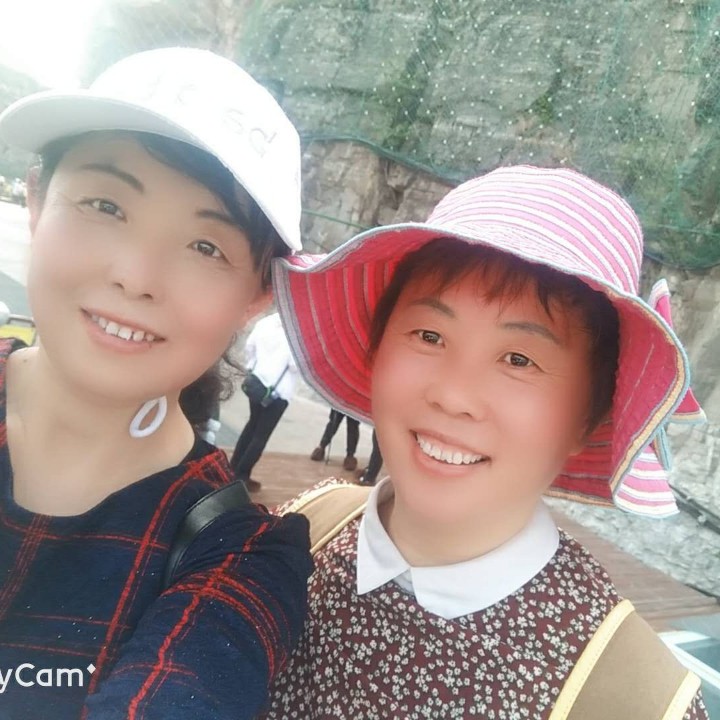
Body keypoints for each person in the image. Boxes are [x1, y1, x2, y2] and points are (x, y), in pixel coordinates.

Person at [264, 166, 709, 718]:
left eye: (519, 359)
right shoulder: (297, 532)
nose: (454, 396)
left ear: (590, 418)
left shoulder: (639, 701)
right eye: (430, 335)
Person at [0, 48, 312, 719]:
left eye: (206, 247)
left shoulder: (237, 558)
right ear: (37, 199)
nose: (136, 276)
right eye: (105, 204)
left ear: (257, 296)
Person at [230, 311, 298, 491]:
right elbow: (294, 365)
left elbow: (249, 346)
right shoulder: (294, 333)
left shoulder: (265, 322)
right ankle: (242, 475)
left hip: (257, 383)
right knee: (260, 435)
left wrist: (254, 366)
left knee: (251, 426)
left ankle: (232, 468)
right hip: (278, 392)